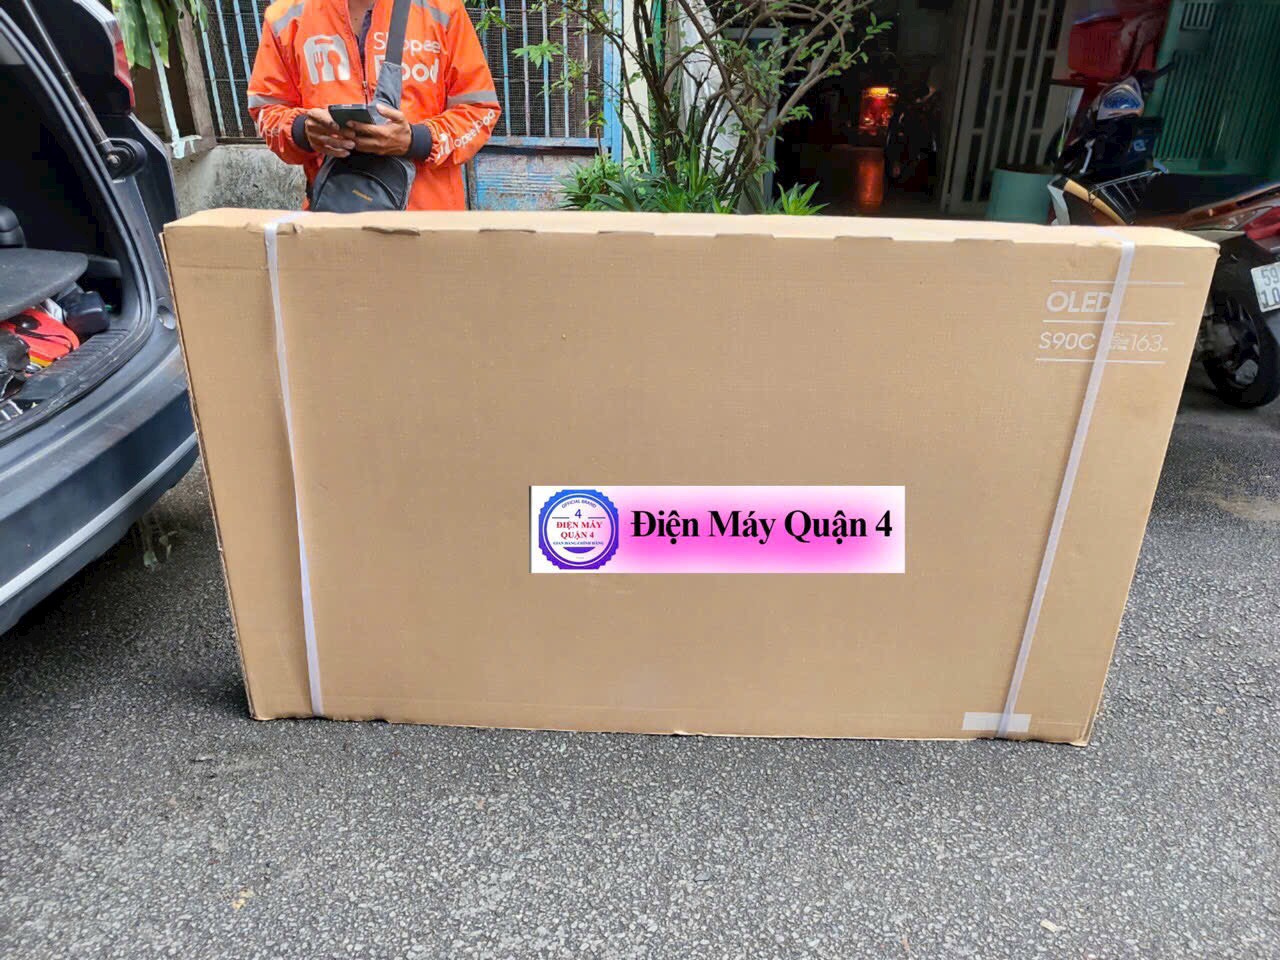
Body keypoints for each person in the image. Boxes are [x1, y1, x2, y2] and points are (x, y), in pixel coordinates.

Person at [247, 0, 500, 210]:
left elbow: (479, 110)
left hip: (428, 224)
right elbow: (267, 111)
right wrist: (303, 131)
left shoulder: (441, 9)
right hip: (334, 220)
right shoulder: (287, 16)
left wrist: (416, 140)